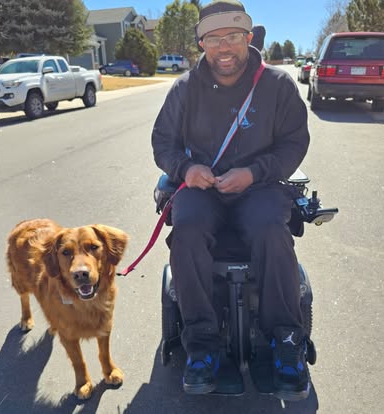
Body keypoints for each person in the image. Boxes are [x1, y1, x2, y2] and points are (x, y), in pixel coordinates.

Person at [151, 0, 311, 401]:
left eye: (233, 36)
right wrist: (186, 168)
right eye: (214, 38)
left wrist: (254, 173)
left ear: (249, 37)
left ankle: (286, 341)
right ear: (201, 44)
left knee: (271, 230)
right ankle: (201, 345)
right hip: (202, 188)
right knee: (186, 229)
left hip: (260, 186)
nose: (224, 47)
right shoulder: (185, 88)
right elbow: (163, 143)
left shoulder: (277, 85)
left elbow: (294, 143)